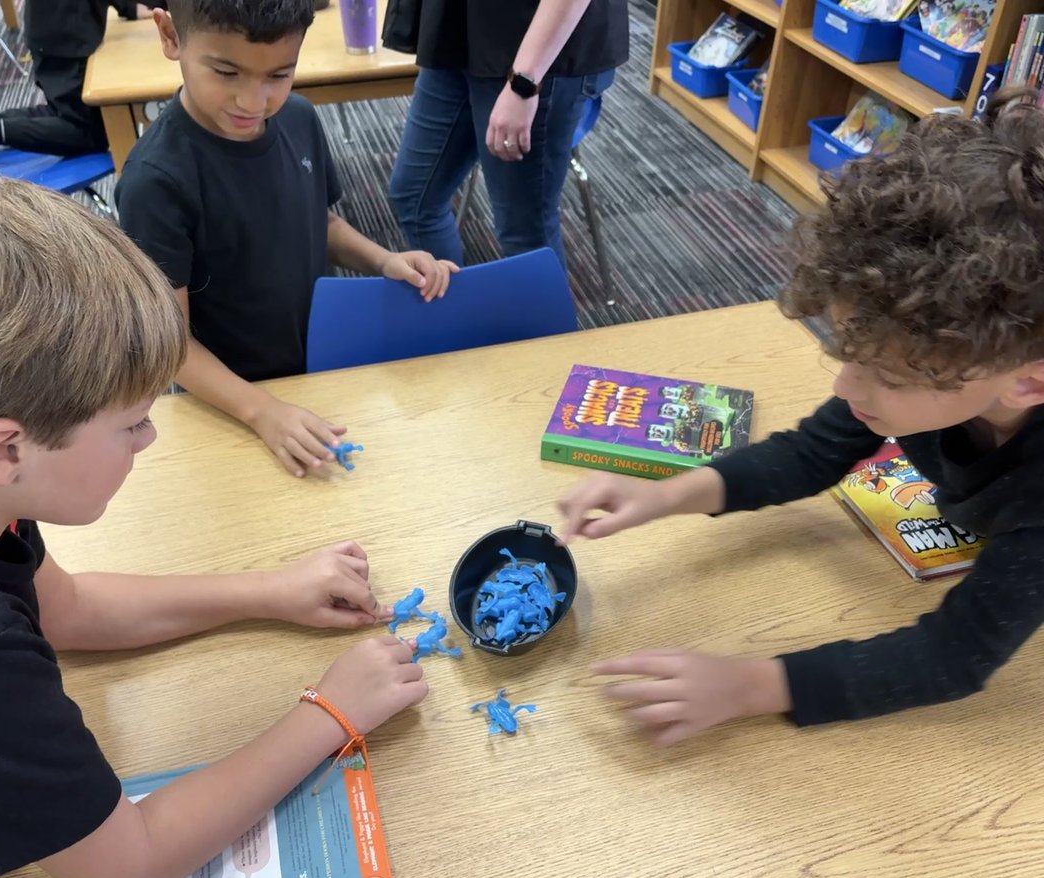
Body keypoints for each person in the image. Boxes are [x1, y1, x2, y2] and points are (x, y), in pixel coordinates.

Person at [0, 177, 429, 878]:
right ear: (4, 451)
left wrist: (272, 590)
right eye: (130, 425)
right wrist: (331, 714)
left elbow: (66, 611)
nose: (149, 438)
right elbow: (128, 867)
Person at [557, 94, 1044, 746]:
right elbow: (810, 453)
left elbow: (957, 655)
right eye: (850, 355)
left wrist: (748, 686)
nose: (846, 385)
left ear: (1027, 380)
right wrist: (664, 495)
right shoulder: (946, 360)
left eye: (889, 377)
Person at [115, 0, 458, 479]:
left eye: (279, 75)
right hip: (235, 399)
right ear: (171, 37)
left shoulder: (298, 118)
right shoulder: (156, 181)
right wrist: (262, 411)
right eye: (226, 72)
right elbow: (171, 347)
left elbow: (317, 220)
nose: (253, 103)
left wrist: (385, 260)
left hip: (323, 364)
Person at [387, 0, 629, 269]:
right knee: (415, 199)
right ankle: (453, 309)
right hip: (456, 33)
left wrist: (524, 82)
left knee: (524, 233)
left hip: (535, 47)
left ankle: (543, 311)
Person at [0, 1, 165, 157]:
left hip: (55, 31)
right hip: (65, 38)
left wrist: (129, 6)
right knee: (96, 131)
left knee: (67, 112)